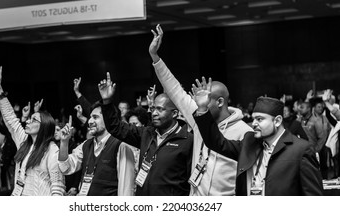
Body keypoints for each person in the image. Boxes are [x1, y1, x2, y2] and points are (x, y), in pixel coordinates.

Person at [149, 25, 252, 196]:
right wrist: (155, 57)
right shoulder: (200, 118)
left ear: (220, 102)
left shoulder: (244, 132)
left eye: (205, 100)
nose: (200, 105)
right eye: (199, 101)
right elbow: (175, 90)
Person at [191, 77, 323, 195]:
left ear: (277, 121)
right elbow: (216, 142)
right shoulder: (250, 142)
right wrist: (202, 109)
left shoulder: (300, 149)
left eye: (260, 119)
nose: (254, 123)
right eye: (253, 119)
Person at [99, 72, 193, 196]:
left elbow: (191, 183)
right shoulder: (146, 134)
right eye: (153, 108)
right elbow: (115, 127)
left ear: (174, 114)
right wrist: (107, 102)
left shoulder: (187, 140)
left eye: (160, 109)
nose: (154, 113)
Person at [0, 66, 65, 196]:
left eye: (34, 120)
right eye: (30, 119)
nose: (28, 121)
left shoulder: (52, 150)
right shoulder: (24, 141)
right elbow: (11, 120)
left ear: (44, 127)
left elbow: (58, 186)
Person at [58, 103, 136, 196]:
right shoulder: (86, 145)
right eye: (90, 117)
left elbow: (126, 189)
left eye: (95, 117)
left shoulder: (122, 146)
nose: (90, 121)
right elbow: (65, 168)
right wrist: (64, 142)